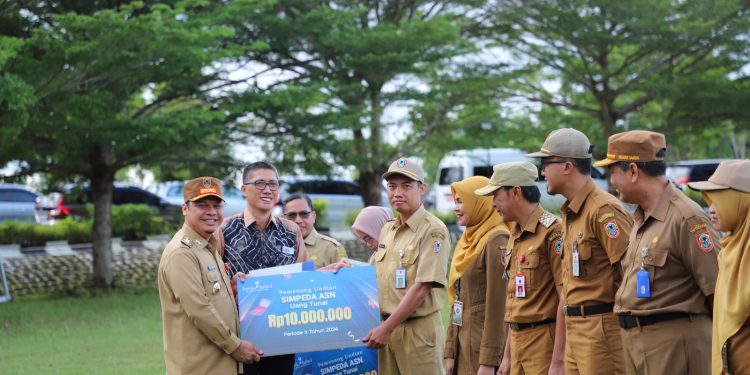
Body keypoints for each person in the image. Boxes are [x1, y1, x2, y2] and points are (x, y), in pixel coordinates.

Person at [595, 130, 719, 375]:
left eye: (613, 172)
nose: (611, 182)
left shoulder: (687, 218)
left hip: (674, 346)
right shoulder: (641, 217)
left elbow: (718, 291)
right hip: (637, 343)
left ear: (632, 171)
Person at [527, 128, 633, 375]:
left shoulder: (604, 210)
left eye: (546, 163)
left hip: (603, 330)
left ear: (567, 166)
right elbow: (568, 289)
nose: (542, 172)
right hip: (575, 330)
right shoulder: (570, 213)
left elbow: (630, 276)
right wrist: (558, 358)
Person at [158, 177, 262, 375]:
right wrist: (235, 346)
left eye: (216, 205)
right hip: (200, 368)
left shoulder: (207, 246)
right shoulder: (182, 252)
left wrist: (232, 289)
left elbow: (211, 295)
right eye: (202, 205)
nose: (212, 212)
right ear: (185, 209)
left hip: (219, 365)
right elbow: (199, 309)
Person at [217, 161, 308, 375]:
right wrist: (230, 285)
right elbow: (213, 280)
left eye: (273, 184)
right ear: (243, 189)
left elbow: (304, 277)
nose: (267, 190)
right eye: (259, 183)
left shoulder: (291, 230)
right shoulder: (224, 230)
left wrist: (331, 271)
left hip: (283, 332)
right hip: (240, 336)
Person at [475, 162, 566, 375]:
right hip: (517, 343)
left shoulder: (553, 231)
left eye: (496, 195)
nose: (492, 203)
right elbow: (515, 303)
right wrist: (506, 356)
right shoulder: (514, 234)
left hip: (545, 343)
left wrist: (559, 360)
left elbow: (565, 298)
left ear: (516, 192)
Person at [364, 157, 451, 375]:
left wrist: (386, 328)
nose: (397, 193)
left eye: (406, 186)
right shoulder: (388, 230)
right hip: (387, 330)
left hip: (417, 332)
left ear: (422, 189)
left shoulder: (432, 230)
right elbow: (374, 274)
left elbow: (423, 287)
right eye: (392, 186)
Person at [688, 159, 750, 375]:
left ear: (741, 201)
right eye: (709, 201)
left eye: (719, 200)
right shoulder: (730, 249)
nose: (711, 209)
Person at [443, 176, 509, 375]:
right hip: (462, 344)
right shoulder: (468, 239)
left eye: (461, 201)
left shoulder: (496, 239)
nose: (456, 208)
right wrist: (449, 350)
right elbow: (458, 300)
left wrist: (489, 361)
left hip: (482, 350)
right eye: (455, 201)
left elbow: (499, 307)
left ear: (481, 202)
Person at [282, 193, 347, 269]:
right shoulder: (275, 247)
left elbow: (344, 279)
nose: (298, 220)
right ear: (283, 219)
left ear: (313, 216)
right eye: (291, 215)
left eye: (304, 214)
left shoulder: (331, 248)